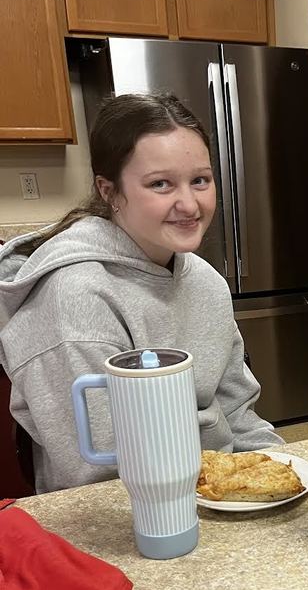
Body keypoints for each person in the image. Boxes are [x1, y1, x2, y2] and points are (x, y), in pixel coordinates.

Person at [0, 92, 282, 494]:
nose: (189, 203)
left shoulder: (204, 280)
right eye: (160, 184)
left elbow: (237, 412)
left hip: (215, 496)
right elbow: (94, 474)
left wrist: (275, 472)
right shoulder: (76, 297)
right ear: (109, 191)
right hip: (126, 513)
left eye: (200, 180)